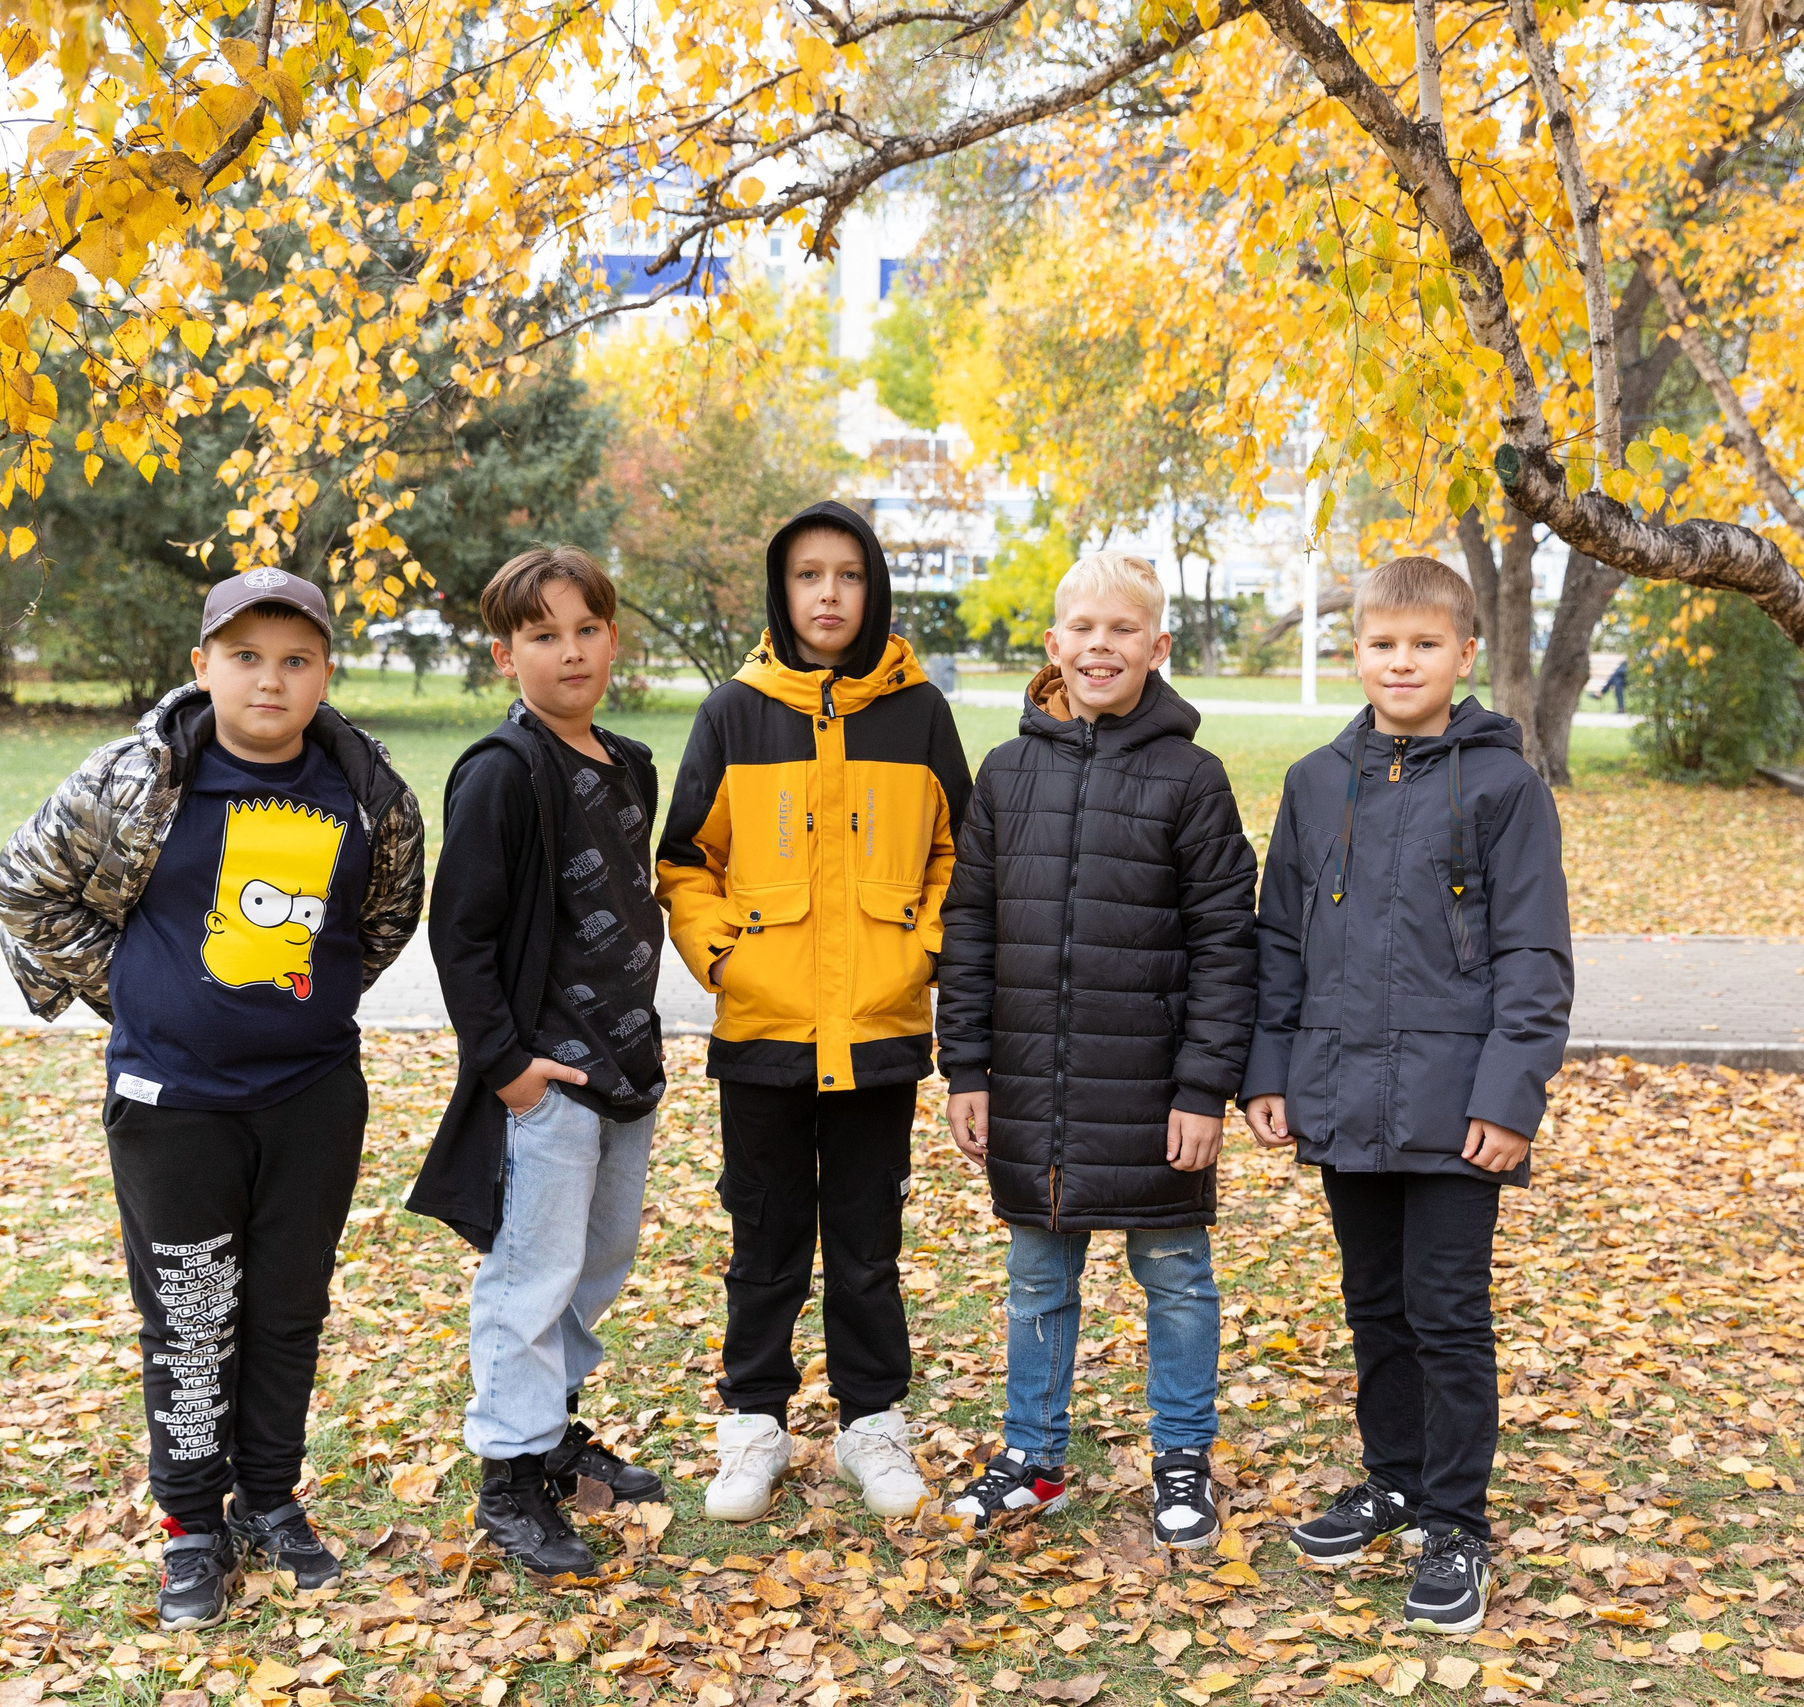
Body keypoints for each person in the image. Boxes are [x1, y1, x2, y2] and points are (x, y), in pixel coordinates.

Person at [0, 568, 425, 1629]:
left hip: (313, 1098)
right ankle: (192, 1527)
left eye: (294, 659)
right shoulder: (136, 778)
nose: (269, 681)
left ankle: (271, 1500)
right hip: (171, 1102)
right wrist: (134, 991)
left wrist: (303, 1006)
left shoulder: (367, 791)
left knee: (287, 1311)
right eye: (244, 658)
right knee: (189, 1319)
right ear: (203, 667)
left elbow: (385, 917)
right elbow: (23, 886)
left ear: (325, 670)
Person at [1242, 555, 1571, 1634]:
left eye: (1423, 644)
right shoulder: (1313, 782)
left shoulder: (1503, 788)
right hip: (1343, 1098)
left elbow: (1533, 957)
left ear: (1463, 655)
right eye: (1382, 643)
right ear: (1356, 654)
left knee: (1445, 1314)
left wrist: (1508, 1099)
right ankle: (1390, 1479)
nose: (1400, 661)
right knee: (1373, 1305)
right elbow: (1277, 945)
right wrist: (1270, 1071)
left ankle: (1455, 1522)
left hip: (1455, 1109)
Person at [657, 500, 971, 1523]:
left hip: (878, 1032)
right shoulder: (732, 712)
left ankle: (872, 1424)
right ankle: (754, 1422)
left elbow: (959, 855)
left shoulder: (918, 711)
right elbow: (685, 862)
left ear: (872, 587)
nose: (827, 593)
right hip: (764, 1032)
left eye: (846, 574)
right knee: (765, 1234)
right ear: (780, 591)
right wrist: (726, 961)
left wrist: (918, 948)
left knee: (868, 1239)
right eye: (806, 576)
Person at [936, 552, 1257, 1549]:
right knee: (1037, 1279)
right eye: (1083, 628)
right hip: (1033, 1088)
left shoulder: (1191, 780)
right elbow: (971, 926)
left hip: (1153, 1092)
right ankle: (1032, 1459)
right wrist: (969, 1069)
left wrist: (1204, 1089)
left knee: (1176, 1277)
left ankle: (1180, 1460)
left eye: (1124, 630)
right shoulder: (1006, 772)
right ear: (1053, 645)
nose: (1100, 646)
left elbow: (1224, 944)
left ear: (1158, 648)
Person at [404, 547, 669, 1578]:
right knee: (530, 1277)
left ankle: (550, 1427)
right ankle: (508, 1479)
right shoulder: (502, 773)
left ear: (611, 637)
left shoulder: (630, 763)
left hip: (625, 1068)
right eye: (544, 635)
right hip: (546, 1080)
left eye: (586, 630)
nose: (570, 652)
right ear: (506, 652)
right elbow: (459, 936)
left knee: (597, 1264)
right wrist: (506, 1065)